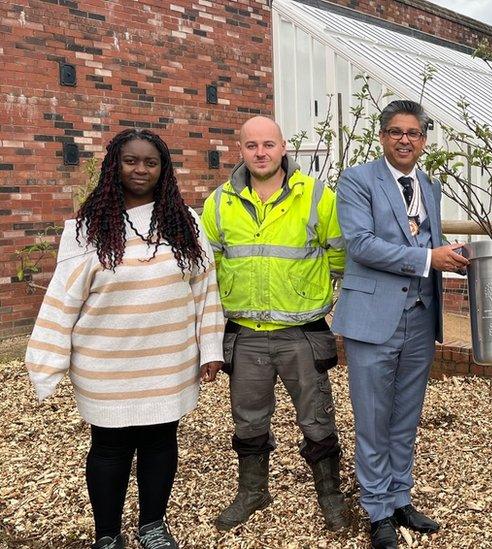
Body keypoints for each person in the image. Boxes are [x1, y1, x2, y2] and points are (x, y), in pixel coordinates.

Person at [24, 128, 224, 549]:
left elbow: (205, 292)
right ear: (114, 165)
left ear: (163, 170)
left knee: (159, 443)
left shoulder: (186, 224)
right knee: (109, 450)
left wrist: (210, 349)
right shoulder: (87, 229)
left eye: (151, 162)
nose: (140, 169)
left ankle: (152, 525)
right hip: (106, 365)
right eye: (131, 160)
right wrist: (47, 363)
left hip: (167, 361)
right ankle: (107, 535)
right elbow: (63, 298)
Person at [201, 116, 350, 532]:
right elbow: (207, 270)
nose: (261, 152)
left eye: (269, 144)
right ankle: (252, 491)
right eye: (252, 145)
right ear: (241, 150)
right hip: (245, 334)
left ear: (284, 147)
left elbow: (340, 257)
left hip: (302, 333)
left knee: (317, 418)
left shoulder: (318, 196)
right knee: (248, 420)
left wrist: (312, 295)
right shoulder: (218, 203)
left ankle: (330, 496)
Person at [332, 99, 468, 549]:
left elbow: (429, 240)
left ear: (424, 140)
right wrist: (429, 258)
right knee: (373, 418)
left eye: (413, 133)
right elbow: (362, 245)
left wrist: (455, 253)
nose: (404, 140)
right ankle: (375, 510)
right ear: (382, 136)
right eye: (395, 132)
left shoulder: (429, 184)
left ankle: (399, 497)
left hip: (420, 318)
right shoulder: (356, 181)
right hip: (373, 319)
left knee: (406, 416)